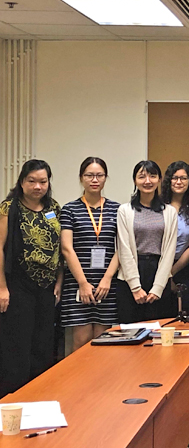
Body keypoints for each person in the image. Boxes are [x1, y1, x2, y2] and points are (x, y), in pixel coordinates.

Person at [0, 159, 62, 397]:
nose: (38, 186)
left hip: (47, 287)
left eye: (43, 181)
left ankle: (40, 396)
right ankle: (14, 400)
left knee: (43, 345)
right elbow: (1, 247)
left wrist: (58, 281)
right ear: (22, 182)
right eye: (32, 181)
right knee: (18, 346)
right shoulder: (9, 208)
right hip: (18, 285)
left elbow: (59, 248)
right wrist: (2, 288)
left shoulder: (53, 207)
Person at [60, 157, 120, 352]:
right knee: (81, 343)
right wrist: (83, 283)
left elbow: (122, 248)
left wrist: (108, 278)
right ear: (81, 178)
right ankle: (79, 384)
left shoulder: (117, 209)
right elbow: (67, 248)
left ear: (105, 178)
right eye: (89, 175)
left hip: (107, 284)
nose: (95, 180)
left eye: (99, 175)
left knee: (104, 343)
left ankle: (103, 383)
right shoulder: (70, 210)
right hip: (78, 283)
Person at [116, 160, 178, 323]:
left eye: (152, 176)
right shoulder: (124, 210)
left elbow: (169, 251)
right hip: (131, 276)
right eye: (142, 176)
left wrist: (158, 288)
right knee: (131, 334)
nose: (147, 181)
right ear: (135, 181)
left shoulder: (170, 212)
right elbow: (124, 249)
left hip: (160, 274)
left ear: (159, 180)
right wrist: (135, 287)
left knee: (160, 335)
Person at [162, 161, 189, 315]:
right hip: (160, 268)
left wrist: (172, 272)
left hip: (187, 268)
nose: (179, 182)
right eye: (175, 178)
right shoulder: (158, 207)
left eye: (184, 178)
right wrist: (165, 274)